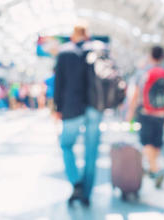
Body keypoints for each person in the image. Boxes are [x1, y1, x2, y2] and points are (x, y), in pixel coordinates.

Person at [54, 23, 102, 206]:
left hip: (72, 107)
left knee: (66, 145)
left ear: (73, 34)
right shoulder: (98, 50)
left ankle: (76, 183)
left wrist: (57, 108)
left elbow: (59, 83)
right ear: (87, 34)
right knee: (91, 151)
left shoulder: (65, 52)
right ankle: (87, 194)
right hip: (95, 107)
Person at [127, 46, 164, 187]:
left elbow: (135, 94)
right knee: (156, 142)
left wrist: (130, 112)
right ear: (162, 57)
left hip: (145, 112)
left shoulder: (143, 73)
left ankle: (155, 169)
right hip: (161, 113)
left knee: (146, 142)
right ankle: (153, 168)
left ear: (150, 56)